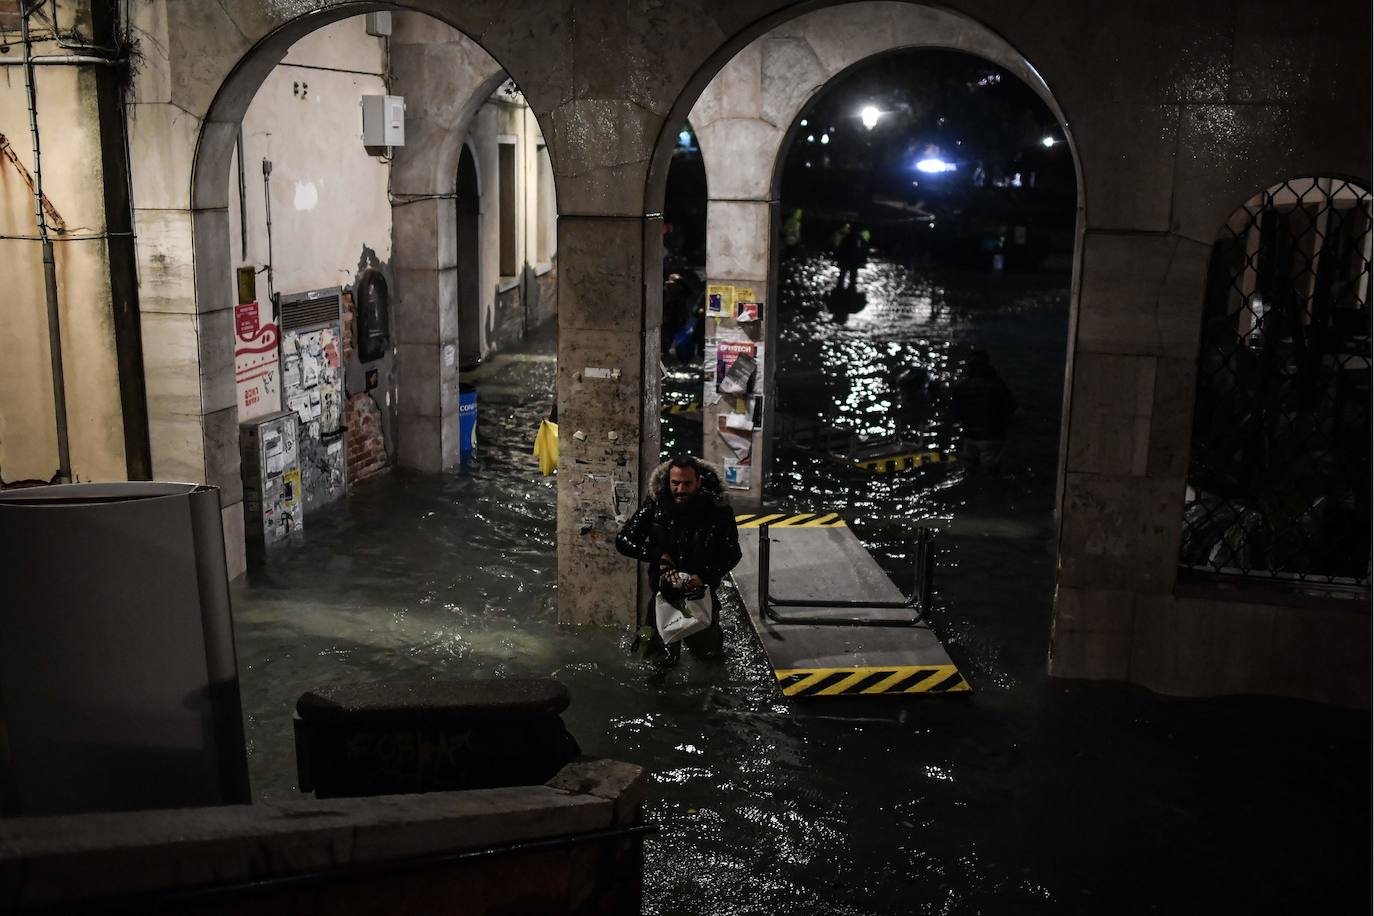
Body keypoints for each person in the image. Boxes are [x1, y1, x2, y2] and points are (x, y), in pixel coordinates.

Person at [615, 454, 741, 664]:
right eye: (675, 483)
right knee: (655, 665)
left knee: (710, 661)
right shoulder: (655, 505)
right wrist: (658, 555)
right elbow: (624, 540)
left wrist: (704, 576)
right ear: (668, 482)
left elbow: (732, 553)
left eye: (687, 484)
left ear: (698, 482)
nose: (681, 490)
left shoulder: (718, 510)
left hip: (701, 595)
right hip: (662, 597)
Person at [950, 350, 1017, 474]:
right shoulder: (996, 384)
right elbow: (1010, 407)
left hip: (969, 436)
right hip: (991, 437)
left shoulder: (961, 386)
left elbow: (955, 413)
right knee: (991, 475)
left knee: (971, 474)